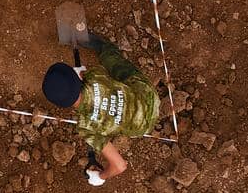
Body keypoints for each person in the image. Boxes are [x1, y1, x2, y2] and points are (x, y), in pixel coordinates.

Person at [42, 32, 160, 183]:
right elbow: (92, 78)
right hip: (148, 96)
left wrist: (100, 176)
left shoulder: (86, 127)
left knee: (108, 126)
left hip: (141, 128)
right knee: (114, 62)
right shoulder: (94, 76)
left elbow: (119, 165)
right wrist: (83, 75)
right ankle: (102, 46)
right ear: (76, 77)